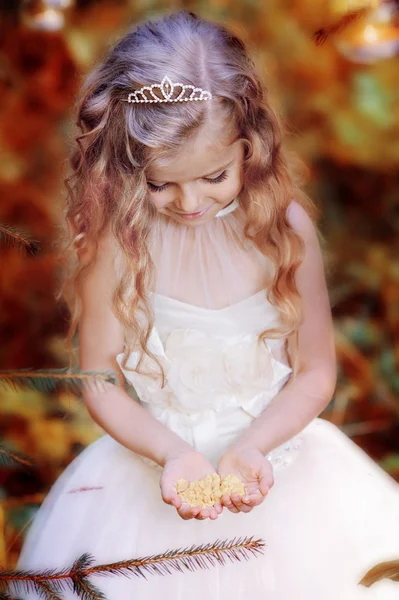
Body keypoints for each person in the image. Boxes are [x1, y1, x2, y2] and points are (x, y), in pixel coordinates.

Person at [14, 9, 399, 600]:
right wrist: (173, 453)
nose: (189, 202)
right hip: (151, 471)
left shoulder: (283, 230)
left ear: (251, 144)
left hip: (281, 466)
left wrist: (254, 444)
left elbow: (315, 369)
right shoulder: (119, 242)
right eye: (159, 183)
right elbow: (101, 381)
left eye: (214, 175)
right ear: (123, 165)